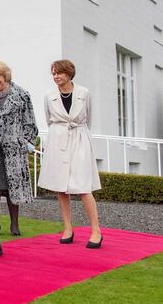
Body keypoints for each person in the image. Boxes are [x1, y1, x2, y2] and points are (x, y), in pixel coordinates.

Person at [38, 59, 103, 249]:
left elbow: (88, 119)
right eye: (54, 73)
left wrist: (79, 135)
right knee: (61, 187)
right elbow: (49, 120)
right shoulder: (49, 96)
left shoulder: (84, 93)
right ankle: (67, 228)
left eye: (59, 73)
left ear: (69, 74)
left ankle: (96, 230)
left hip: (79, 139)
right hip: (58, 140)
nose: (56, 76)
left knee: (83, 187)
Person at [0, 61, 37, 236]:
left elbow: (30, 121)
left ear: (6, 76)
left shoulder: (22, 94)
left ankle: (14, 225)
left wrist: (27, 141)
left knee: (12, 187)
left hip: (14, 148)